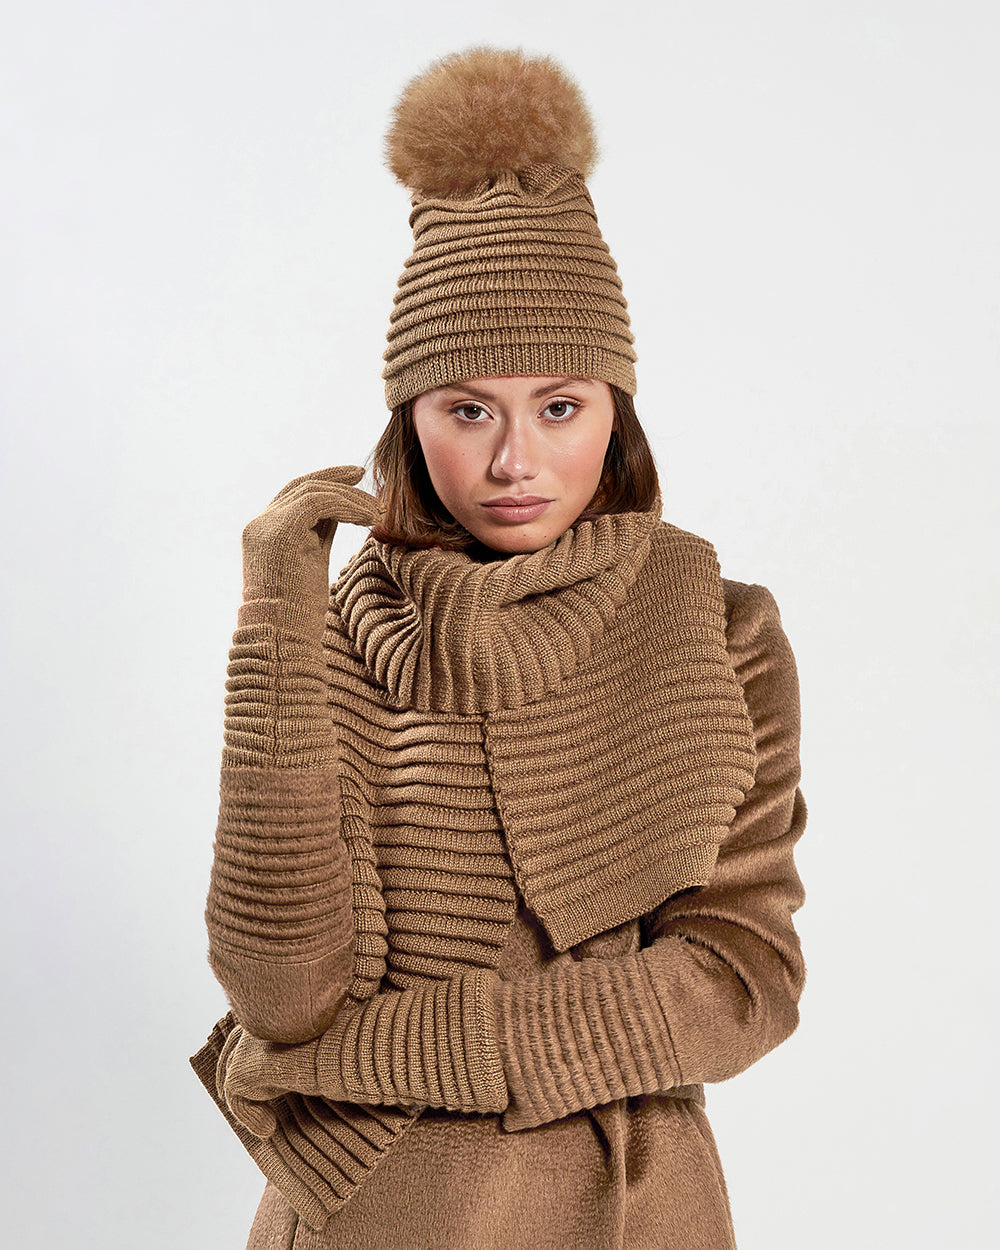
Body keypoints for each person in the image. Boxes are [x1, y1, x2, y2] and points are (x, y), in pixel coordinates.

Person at [191, 46, 807, 1250]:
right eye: (467, 408)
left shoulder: (720, 632)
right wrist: (275, 612)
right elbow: (280, 997)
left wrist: (396, 1047)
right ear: (410, 424)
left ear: (614, 408)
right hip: (373, 1210)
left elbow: (741, 982)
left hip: (629, 1203)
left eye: (559, 405)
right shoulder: (330, 637)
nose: (515, 459)